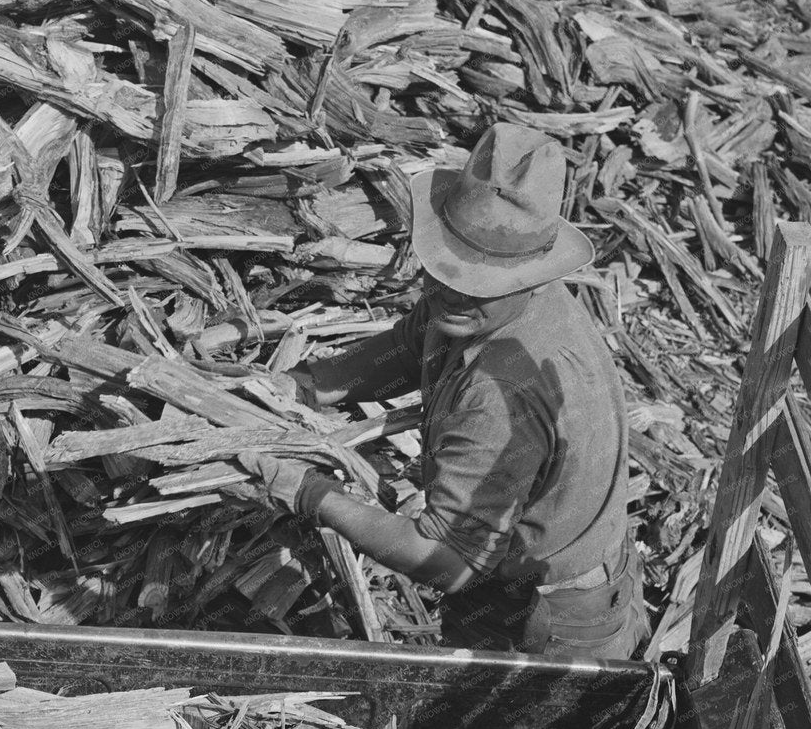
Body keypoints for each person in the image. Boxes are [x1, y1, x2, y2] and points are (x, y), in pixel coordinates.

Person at [239, 123, 646, 660]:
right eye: (444, 269)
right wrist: (310, 386)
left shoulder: (500, 394)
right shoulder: (494, 304)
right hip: (530, 570)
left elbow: (448, 561)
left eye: (477, 283)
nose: (452, 292)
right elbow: (412, 344)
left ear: (526, 276)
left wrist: (309, 494)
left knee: (496, 714)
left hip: (551, 615)